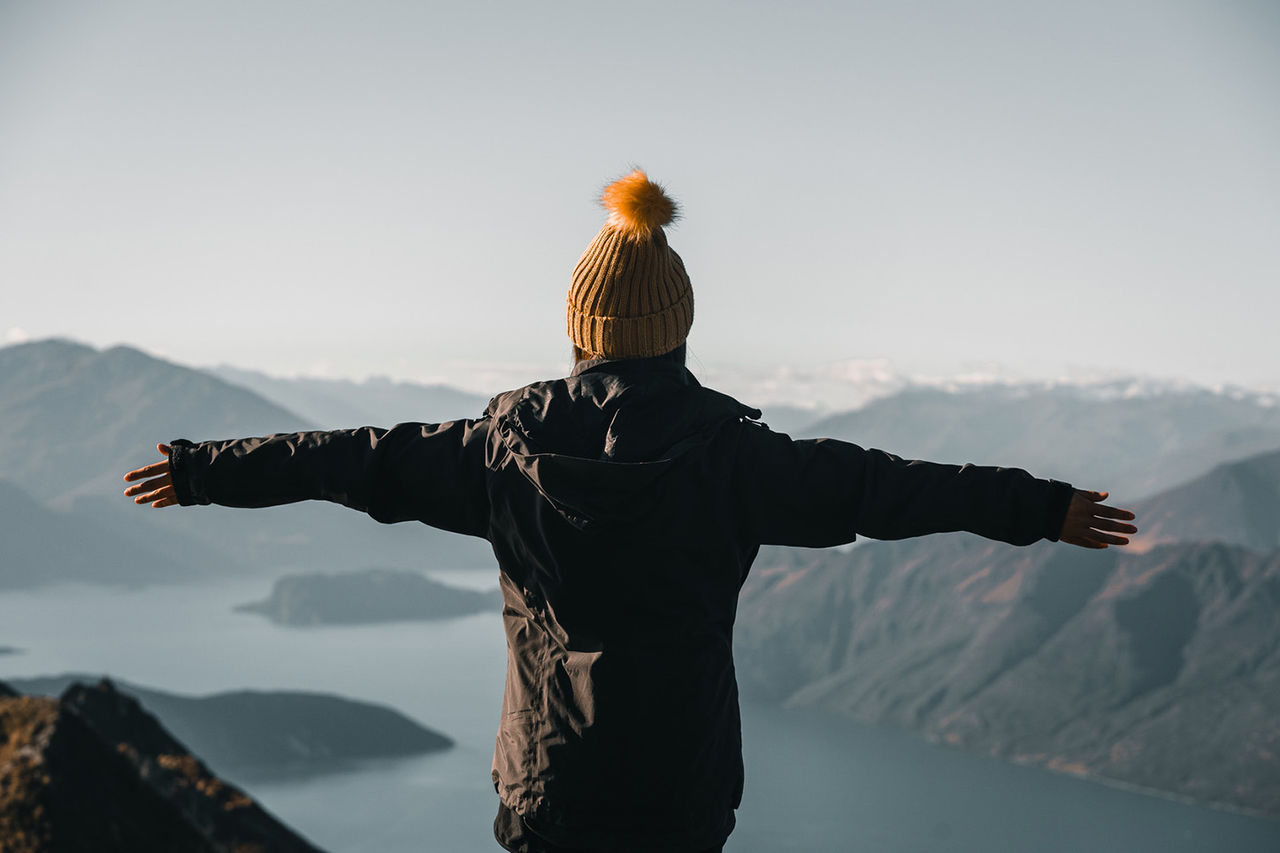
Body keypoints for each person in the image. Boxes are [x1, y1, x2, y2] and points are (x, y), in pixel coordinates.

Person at [124, 169, 1137, 853]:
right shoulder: (733, 460)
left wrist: (205, 468)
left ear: (577, 327)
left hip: (545, 784)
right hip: (679, 788)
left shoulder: (498, 453)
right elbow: (885, 487)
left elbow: (355, 459)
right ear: (677, 327)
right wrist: (1040, 507)